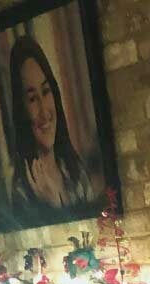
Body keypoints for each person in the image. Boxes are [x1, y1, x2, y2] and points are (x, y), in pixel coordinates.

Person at [8, 36, 91, 223]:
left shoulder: (75, 170)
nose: (44, 111)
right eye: (31, 99)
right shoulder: (22, 192)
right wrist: (50, 204)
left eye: (45, 92)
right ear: (21, 110)